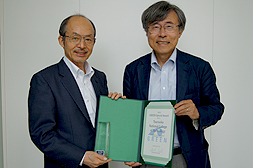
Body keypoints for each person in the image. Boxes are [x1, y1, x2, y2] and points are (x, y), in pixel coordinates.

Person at [123, 1, 224, 168]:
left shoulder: (199, 68)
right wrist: (128, 150)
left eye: (169, 26)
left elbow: (216, 108)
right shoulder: (133, 70)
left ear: (180, 31)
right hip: (145, 159)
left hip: (186, 158)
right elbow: (130, 118)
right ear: (147, 31)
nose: (162, 34)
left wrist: (197, 112)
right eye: (155, 26)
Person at [28, 14, 124, 168]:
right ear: (62, 40)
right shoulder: (44, 80)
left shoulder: (99, 78)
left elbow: (103, 127)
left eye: (88, 39)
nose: (82, 45)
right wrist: (82, 157)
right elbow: (42, 134)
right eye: (75, 38)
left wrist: (116, 108)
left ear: (94, 42)